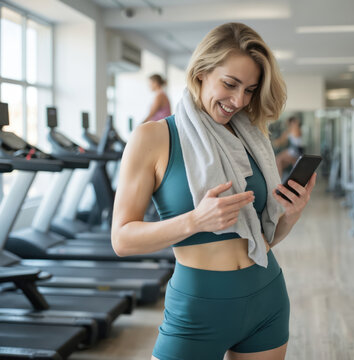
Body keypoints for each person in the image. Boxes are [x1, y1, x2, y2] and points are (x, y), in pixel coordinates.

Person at [112, 22, 317, 360]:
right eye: (230, 84)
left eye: (249, 90)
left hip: (267, 297)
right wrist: (194, 221)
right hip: (197, 307)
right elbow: (121, 239)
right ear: (202, 72)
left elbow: (263, 240)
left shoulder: (252, 139)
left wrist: (291, 216)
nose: (238, 100)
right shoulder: (153, 138)